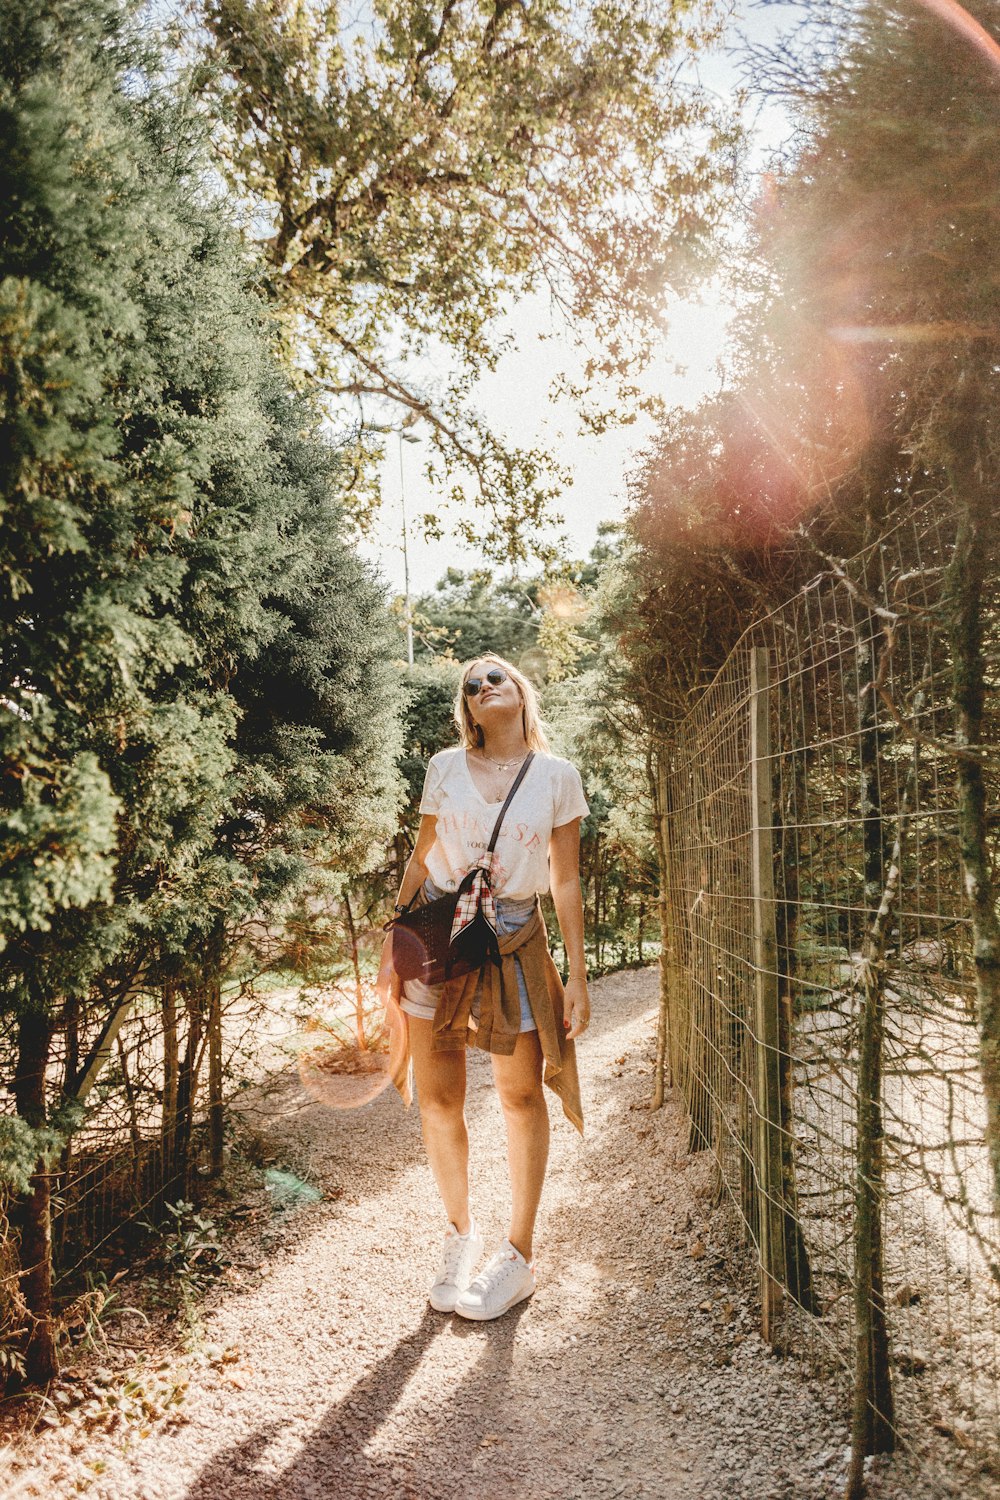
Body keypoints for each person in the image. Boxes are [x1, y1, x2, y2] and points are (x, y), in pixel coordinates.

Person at [378, 653, 591, 1322]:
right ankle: (459, 1236)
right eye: (470, 686)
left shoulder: (558, 777)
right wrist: (394, 939)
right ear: (466, 710)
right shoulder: (444, 767)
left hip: (514, 940)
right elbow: (421, 857)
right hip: (439, 937)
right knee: (440, 1102)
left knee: (520, 1097)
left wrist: (578, 975)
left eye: (493, 676)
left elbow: (564, 880)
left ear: (521, 690)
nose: (482, 687)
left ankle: (519, 1257)